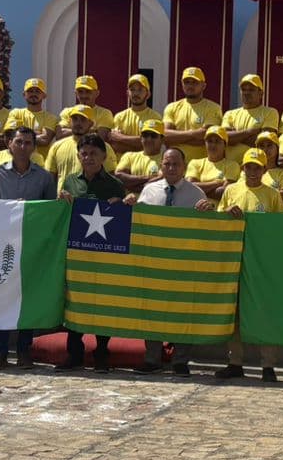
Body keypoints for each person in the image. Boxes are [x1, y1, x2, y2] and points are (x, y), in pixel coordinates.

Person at [133, 148, 212, 375]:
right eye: (167, 164)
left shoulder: (196, 194)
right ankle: (152, 358)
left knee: (183, 310)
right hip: (154, 261)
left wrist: (207, 211)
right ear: (161, 165)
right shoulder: (148, 191)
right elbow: (139, 223)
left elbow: (205, 229)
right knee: (152, 309)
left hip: (184, 263)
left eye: (176, 164)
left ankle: (180, 360)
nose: (171, 168)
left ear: (184, 166)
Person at [216, 149, 283, 383]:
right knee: (234, 312)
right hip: (235, 259)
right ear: (242, 168)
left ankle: (268, 365)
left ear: (265, 170)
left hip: (261, 262)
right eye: (249, 167)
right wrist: (227, 212)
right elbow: (219, 221)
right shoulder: (231, 191)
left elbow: (280, 228)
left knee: (263, 311)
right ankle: (235, 362)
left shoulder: (273, 195)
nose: (253, 171)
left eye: (257, 167)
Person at [59, 134, 124, 373]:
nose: (88, 158)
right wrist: (62, 201)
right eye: (84, 153)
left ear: (104, 156)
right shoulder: (69, 182)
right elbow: (63, 214)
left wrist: (122, 204)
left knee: (102, 301)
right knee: (75, 301)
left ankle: (101, 353)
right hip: (76, 253)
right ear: (78, 156)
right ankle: (74, 353)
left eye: (94, 153)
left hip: (104, 254)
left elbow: (120, 218)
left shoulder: (114, 185)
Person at [162, 66, 225, 163]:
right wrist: (193, 134)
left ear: (203, 85)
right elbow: (165, 136)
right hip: (175, 167)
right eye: (187, 82)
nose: (190, 86)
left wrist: (177, 139)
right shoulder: (172, 107)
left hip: (202, 168)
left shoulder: (213, 108)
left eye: (194, 82)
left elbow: (207, 138)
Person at [222, 74, 278, 165]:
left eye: (251, 90)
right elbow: (225, 139)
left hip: (256, 168)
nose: (246, 93)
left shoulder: (270, 112)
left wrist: (236, 136)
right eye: (244, 89)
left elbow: (265, 143)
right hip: (231, 168)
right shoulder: (230, 114)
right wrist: (250, 132)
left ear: (261, 93)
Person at [109, 74, 158, 155]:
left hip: (145, 165)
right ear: (128, 93)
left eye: (140, 90)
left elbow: (151, 144)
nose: (136, 93)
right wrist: (139, 144)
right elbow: (115, 145)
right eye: (132, 90)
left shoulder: (154, 117)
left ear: (148, 94)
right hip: (122, 165)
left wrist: (121, 138)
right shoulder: (119, 117)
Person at [187, 125, 241, 199]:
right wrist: (217, 183)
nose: (213, 145)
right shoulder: (195, 163)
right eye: (210, 141)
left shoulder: (232, 165)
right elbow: (189, 188)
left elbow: (223, 193)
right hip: (197, 208)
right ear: (205, 144)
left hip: (218, 209)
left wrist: (199, 190)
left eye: (217, 141)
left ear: (225, 145)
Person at [45, 106, 97, 182]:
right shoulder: (56, 147)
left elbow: (109, 179)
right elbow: (49, 178)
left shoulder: (102, 147)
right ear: (69, 121)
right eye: (75, 119)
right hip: (62, 194)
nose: (78, 123)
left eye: (83, 120)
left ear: (90, 124)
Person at [115, 119, 166, 193]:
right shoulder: (129, 156)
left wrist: (130, 185)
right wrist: (149, 178)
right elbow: (119, 177)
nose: (149, 139)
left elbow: (162, 181)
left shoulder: (166, 158)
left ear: (162, 139)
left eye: (153, 136)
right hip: (129, 203)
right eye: (145, 135)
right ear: (141, 138)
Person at [68, 74, 116, 138]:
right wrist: (93, 130)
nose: (84, 95)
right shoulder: (67, 112)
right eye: (80, 92)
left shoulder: (105, 113)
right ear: (76, 93)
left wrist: (76, 130)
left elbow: (100, 137)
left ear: (97, 93)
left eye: (88, 92)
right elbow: (60, 134)